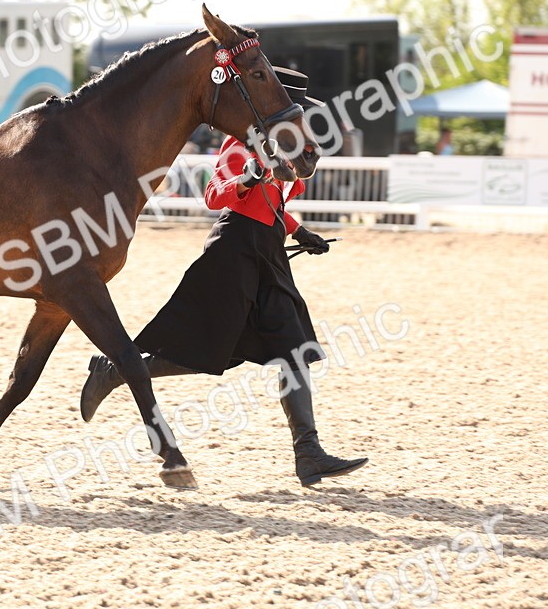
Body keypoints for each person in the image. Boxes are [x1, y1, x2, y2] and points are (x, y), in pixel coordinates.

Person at [79, 134, 368, 488]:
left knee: (294, 349)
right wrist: (248, 176)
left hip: (268, 253)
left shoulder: (285, 149)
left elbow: (272, 203)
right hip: (233, 252)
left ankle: (308, 454)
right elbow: (215, 196)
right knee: (209, 352)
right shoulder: (240, 146)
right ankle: (115, 372)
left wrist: (298, 230)